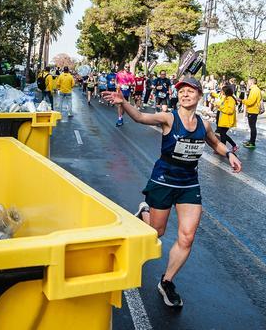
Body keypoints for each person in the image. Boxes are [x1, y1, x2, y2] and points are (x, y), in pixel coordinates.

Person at [102, 77, 243, 309]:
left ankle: (167, 281)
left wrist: (229, 155)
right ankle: (145, 211)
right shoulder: (169, 118)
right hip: (163, 181)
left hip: (189, 184)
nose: (186, 95)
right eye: (182, 92)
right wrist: (124, 102)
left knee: (187, 236)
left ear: (199, 95)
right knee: (156, 231)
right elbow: (140, 117)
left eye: (191, 91)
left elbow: (215, 143)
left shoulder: (203, 124)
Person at [216, 85, 239, 152]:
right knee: (222, 134)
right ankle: (224, 149)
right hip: (224, 120)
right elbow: (222, 104)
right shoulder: (226, 98)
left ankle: (233, 145)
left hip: (227, 120)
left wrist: (220, 107)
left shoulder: (230, 99)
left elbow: (230, 110)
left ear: (225, 91)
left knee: (223, 134)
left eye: (222, 90)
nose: (221, 91)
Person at [241, 78, 262, 148]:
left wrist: (242, 101)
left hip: (253, 111)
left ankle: (252, 143)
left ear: (251, 82)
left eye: (248, 82)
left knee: (252, 127)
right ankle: (251, 141)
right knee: (252, 127)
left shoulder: (255, 90)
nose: (247, 84)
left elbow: (250, 102)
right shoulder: (254, 89)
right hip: (252, 110)